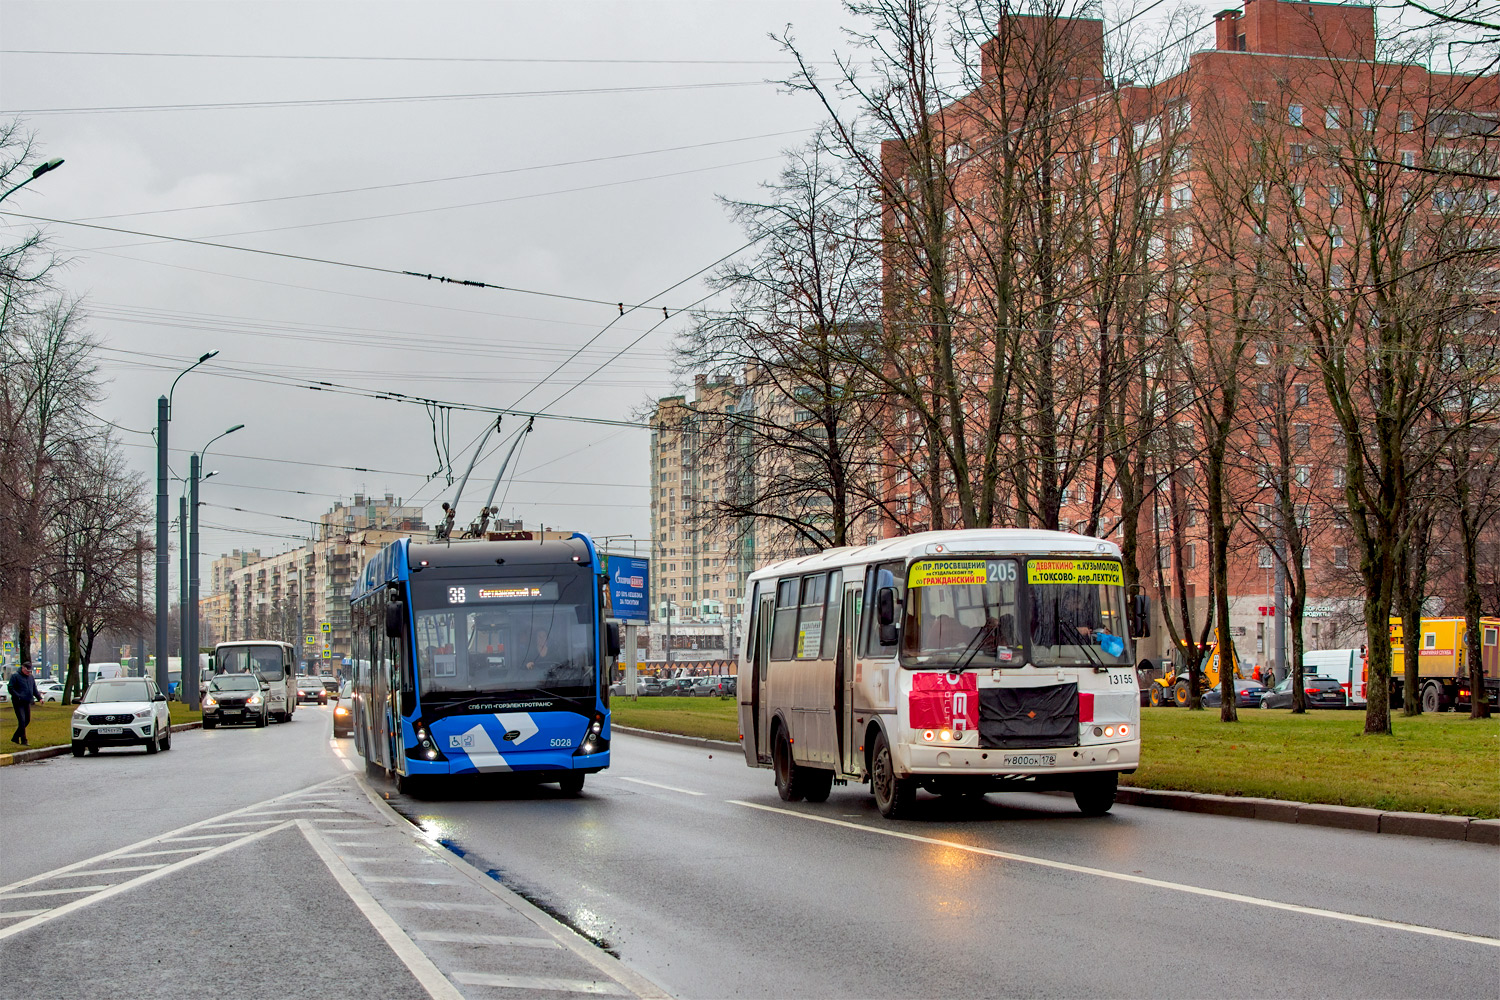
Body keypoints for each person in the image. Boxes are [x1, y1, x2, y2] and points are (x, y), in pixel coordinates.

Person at [8, 660, 41, 746]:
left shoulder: (30, 677)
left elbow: (34, 689)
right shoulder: (15, 676)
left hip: (27, 701)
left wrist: (39, 698)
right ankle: (24, 740)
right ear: (22, 668)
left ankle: (15, 737)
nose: (28, 673)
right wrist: (17, 696)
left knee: (27, 720)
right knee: (22, 721)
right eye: (27, 671)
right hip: (18, 702)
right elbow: (10, 688)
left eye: (30, 671)